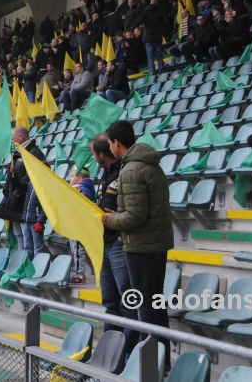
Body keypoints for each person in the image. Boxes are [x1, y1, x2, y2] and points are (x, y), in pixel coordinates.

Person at [102, 120, 173, 369]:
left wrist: (110, 220)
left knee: (143, 306)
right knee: (155, 302)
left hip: (141, 246)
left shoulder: (130, 170)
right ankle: (162, 361)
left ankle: (147, 365)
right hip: (157, 243)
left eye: (110, 143)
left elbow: (135, 216)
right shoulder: (150, 165)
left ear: (116, 143)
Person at [91, 133, 138, 355]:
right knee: (110, 301)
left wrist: (122, 231)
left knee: (127, 299)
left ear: (102, 153)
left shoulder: (125, 171)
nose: (92, 158)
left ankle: (128, 352)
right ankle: (110, 350)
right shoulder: (105, 173)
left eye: (93, 153)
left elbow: (136, 207)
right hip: (105, 242)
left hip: (119, 243)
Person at [10, 127, 48, 258]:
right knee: (28, 246)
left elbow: (45, 206)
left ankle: (38, 270)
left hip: (35, 219)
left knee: (37, 247)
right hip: (26, 217)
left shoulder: (35, 153)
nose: (12, 142)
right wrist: (12, 175)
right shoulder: (18, 153)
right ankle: (29, 268)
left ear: (21, 137)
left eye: (13, 139)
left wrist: (40, 221)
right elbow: (20, 183)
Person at [69, 168, 95, 283]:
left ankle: (80, 275)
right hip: (74, 222)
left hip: (79, 223)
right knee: (75, 250)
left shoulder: (84, 188)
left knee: (78, 250)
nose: (70, 178)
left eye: (72, 176)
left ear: (79, 178)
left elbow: (83, 202)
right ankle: (78, 274)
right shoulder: (77, 188)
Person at [133, 0, 166, 76]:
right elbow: (167, 22)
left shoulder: (145, 11)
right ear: (157, 3)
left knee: (150, 58)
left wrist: (132, 27)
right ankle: (162, 74)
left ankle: (152, 75)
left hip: (148, 36)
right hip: (157, 35)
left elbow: (139, 20)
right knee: (159, 57)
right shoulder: (161, 11)